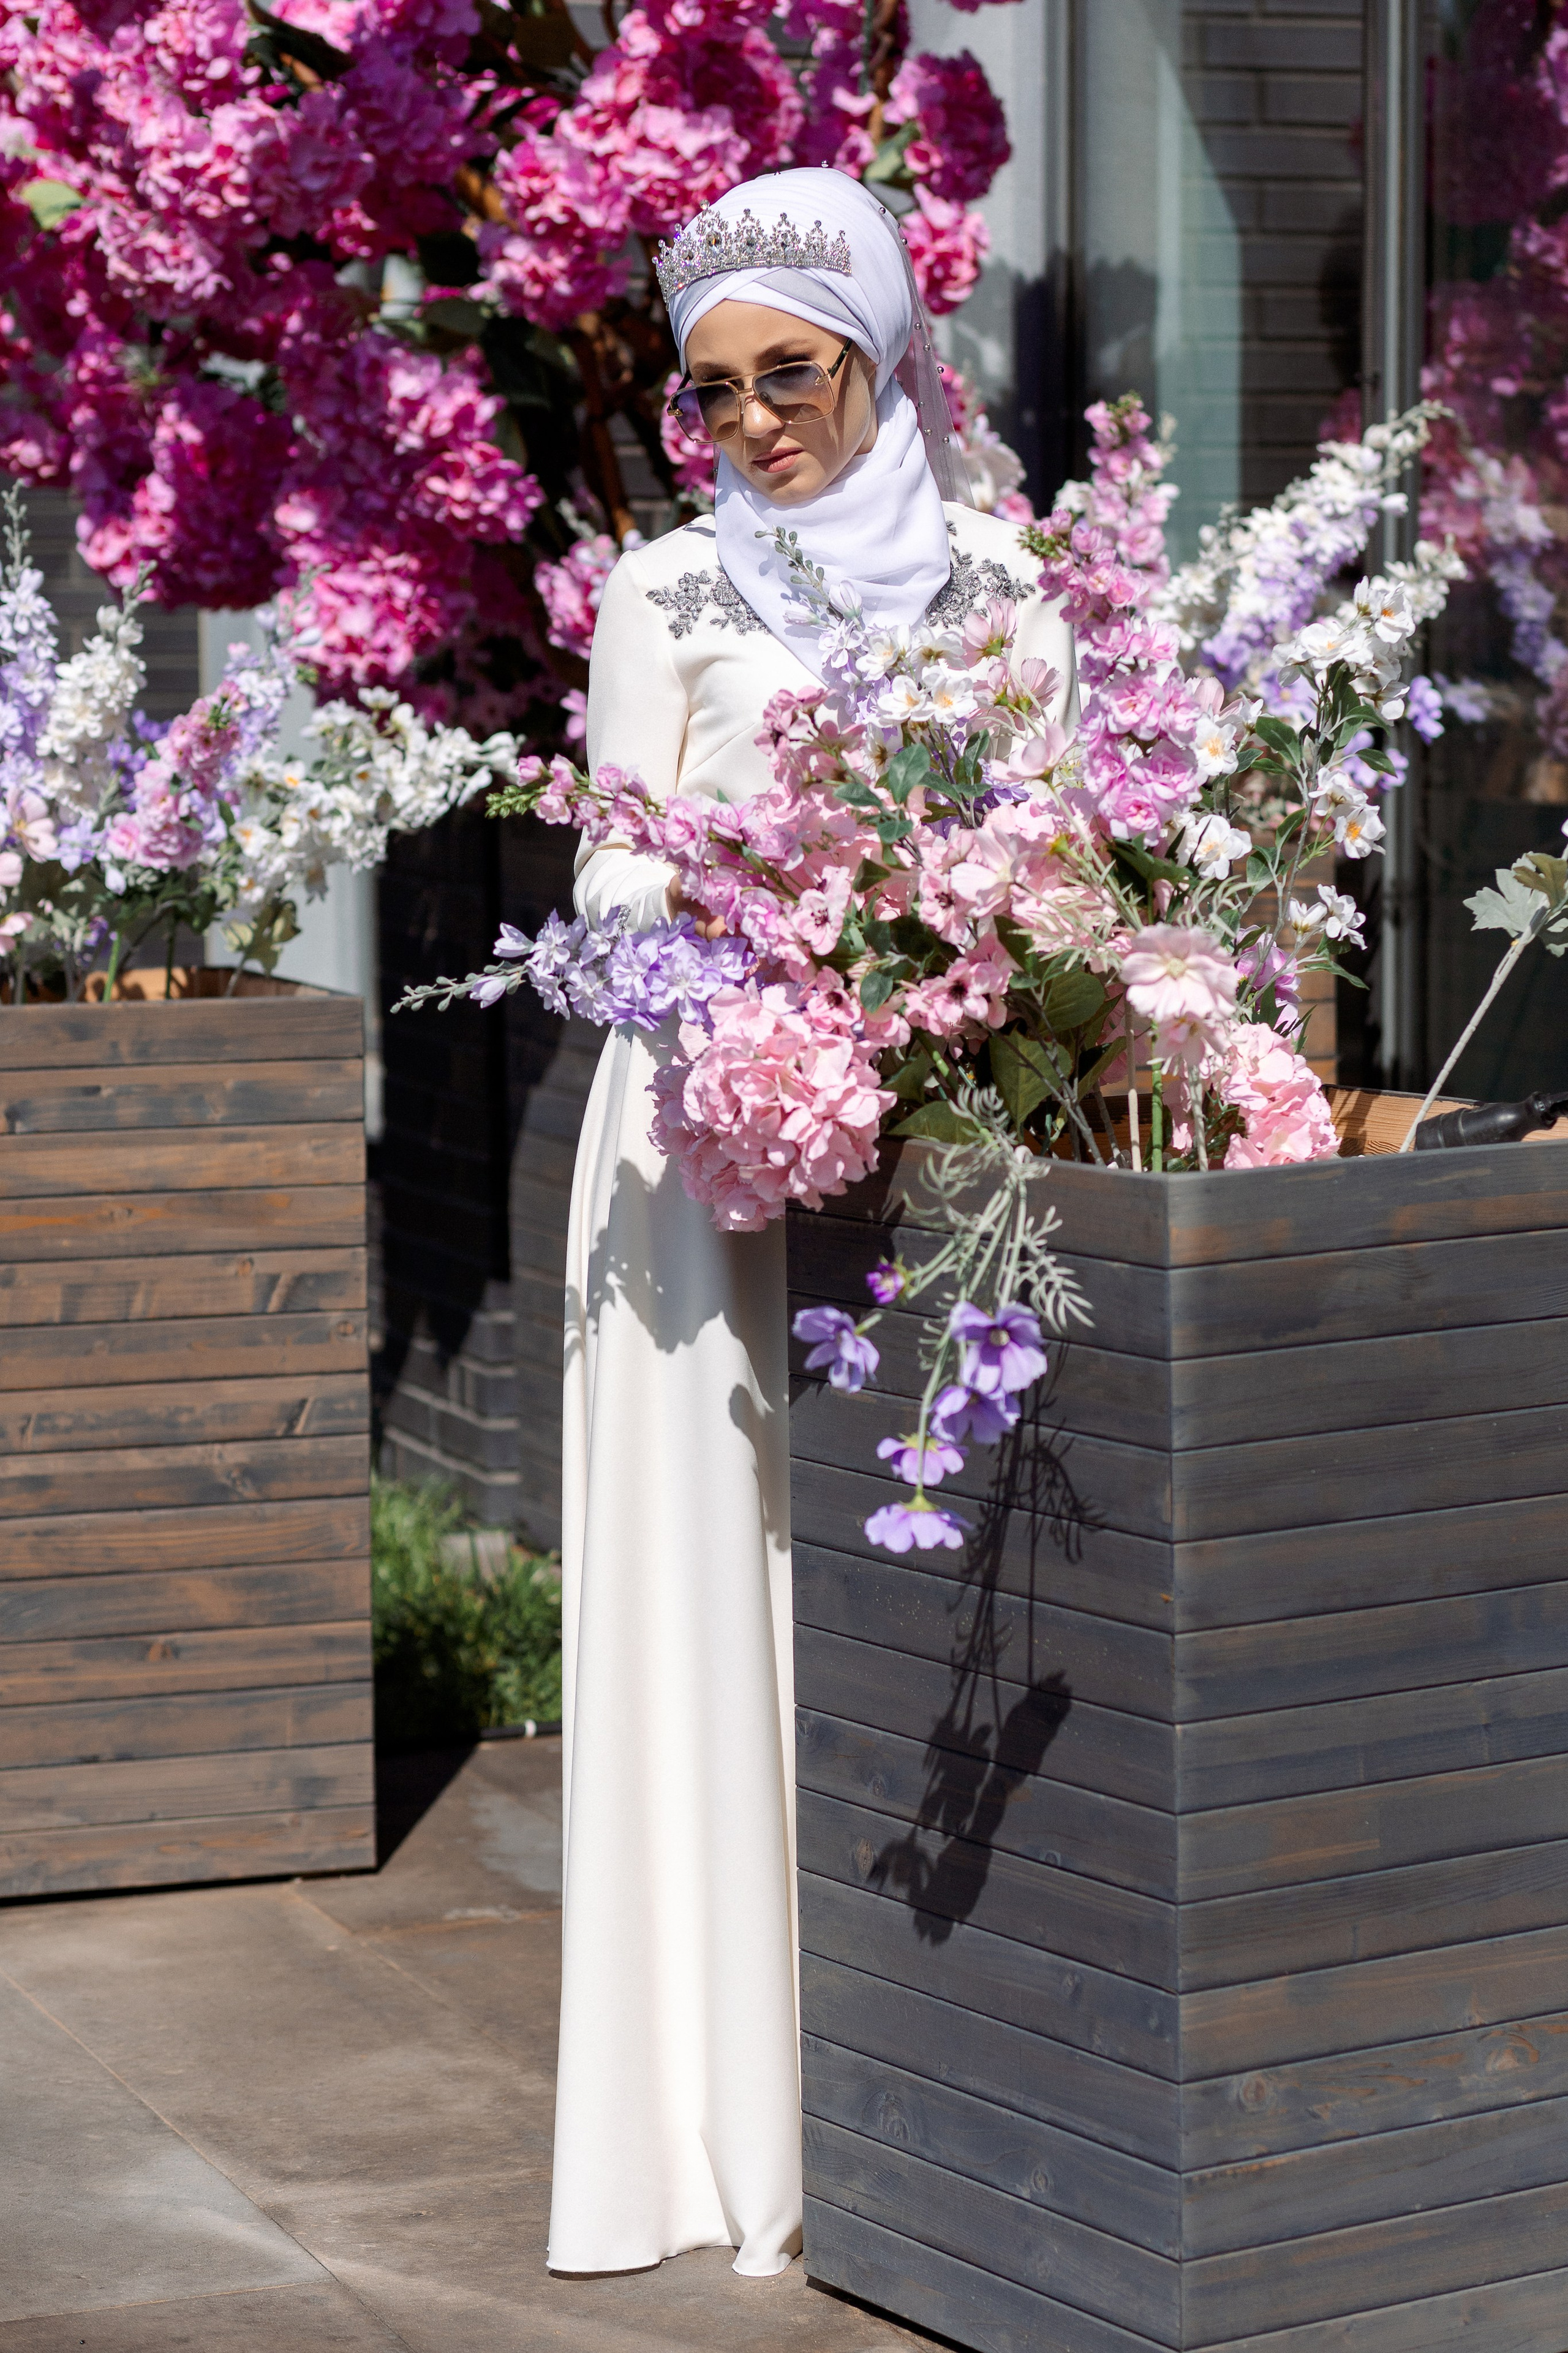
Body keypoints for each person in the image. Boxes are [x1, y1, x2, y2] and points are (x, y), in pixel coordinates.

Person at [550, 167, 1076, 2281]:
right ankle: (709, 2130)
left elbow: (1051, 867)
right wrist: (744, 914)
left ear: (875, 356)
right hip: (695, 1153)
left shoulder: (1005, 596)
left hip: (920, 1145)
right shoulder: (661, 597)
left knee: (893, 1593)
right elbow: (597, 886)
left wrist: (925, 954)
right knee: (709, 1592)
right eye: (714, 395)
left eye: (792, 374)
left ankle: (908, 2095)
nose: (756, 423)